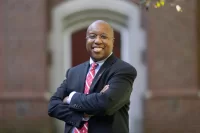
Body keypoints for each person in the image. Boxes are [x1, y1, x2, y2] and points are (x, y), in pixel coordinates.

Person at [48, 20, 137, 133]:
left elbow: (106, 104)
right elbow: (53, 106)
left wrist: (71, 98)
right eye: (92, 36)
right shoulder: (73, 72)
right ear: (86, 40)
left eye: (103, 37)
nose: (97, 41)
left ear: (113, 41)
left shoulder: (123, 70)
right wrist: (82, 115)